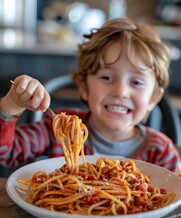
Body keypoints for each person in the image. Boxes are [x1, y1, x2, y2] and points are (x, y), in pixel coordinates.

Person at [0, 18, 180, 173]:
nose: (120, 92)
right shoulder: (57, 131)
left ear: (153, 98)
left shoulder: (161, 151)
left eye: (136, 82)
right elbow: (5, 153)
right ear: (84, 87)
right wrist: (12, 104)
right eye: (107, 77)